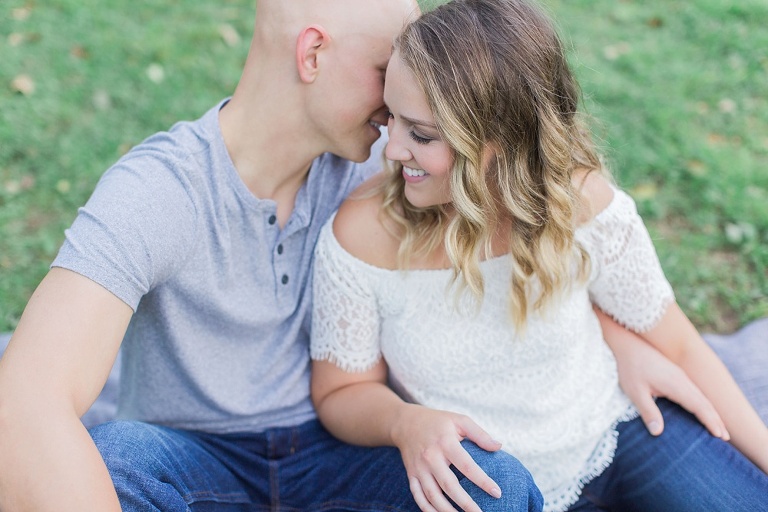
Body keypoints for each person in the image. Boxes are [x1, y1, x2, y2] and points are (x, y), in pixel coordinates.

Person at [0, 0, 728, 510]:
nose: (398, 106)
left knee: (492, 484)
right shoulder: (158, 190)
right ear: (312, 53)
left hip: (339, 460)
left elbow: (522, 210)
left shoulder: (392, 164)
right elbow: (25, 397)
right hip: (201, 463)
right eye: (386, 70)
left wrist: (613, 333)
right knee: (118, 455)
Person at [309, 0, 768, 511]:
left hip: (618, 431)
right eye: (391, 117)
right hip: (493, 478)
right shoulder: (362, 233)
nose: (391, 149)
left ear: (500, 140)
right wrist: (404, 423)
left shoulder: (579, 200)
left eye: (421, 134)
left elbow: (679, 346)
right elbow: (339, 393)